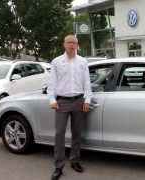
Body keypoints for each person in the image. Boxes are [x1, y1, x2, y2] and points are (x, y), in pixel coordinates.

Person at [47, 33, 92, 180]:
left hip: (79, 101)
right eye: (69, 42)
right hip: (62, 103)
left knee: (77, 133)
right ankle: (59, 166)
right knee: (59, 134)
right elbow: (52, 84)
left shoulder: (83, 62)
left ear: (77, 45)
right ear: (64, 44)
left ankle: (75, 160)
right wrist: (52, 99)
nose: (72, 45)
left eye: (74, 43)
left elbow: (87, 83)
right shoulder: (56, 62)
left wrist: (87, 100)